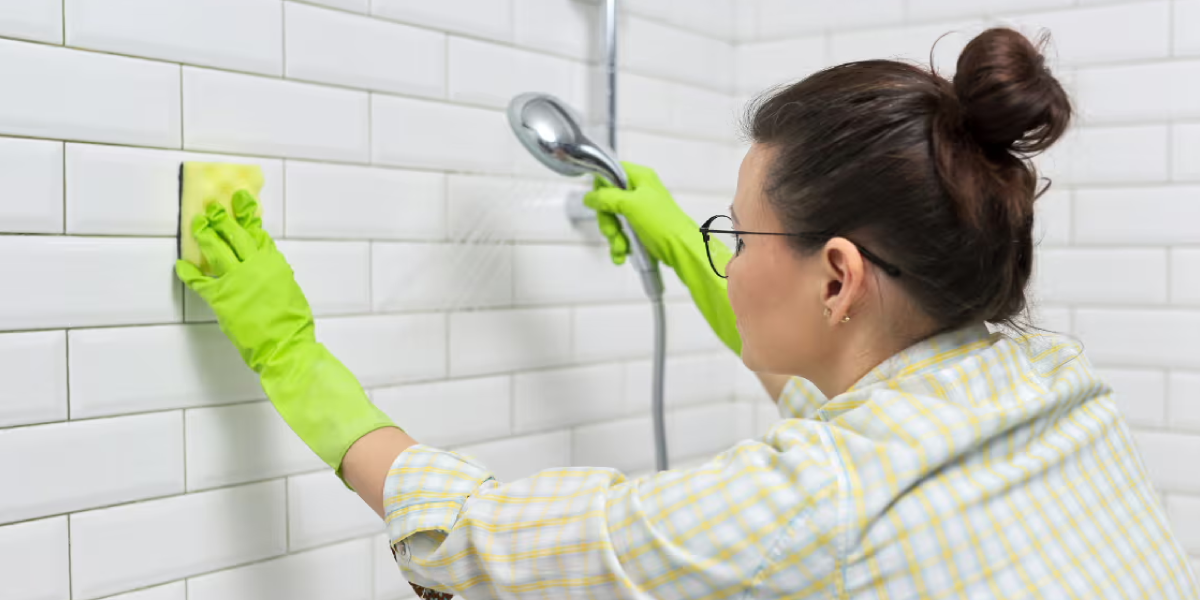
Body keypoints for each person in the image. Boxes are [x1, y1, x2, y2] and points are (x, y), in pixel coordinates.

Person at [177, 27, 1198, 599]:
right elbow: (848, 403)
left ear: (838, 278)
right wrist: (685, 246)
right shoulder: (1058, 385)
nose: (723, 257)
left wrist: (291, 351)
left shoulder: (813, 500)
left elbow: (473, 538)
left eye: (735, 236)